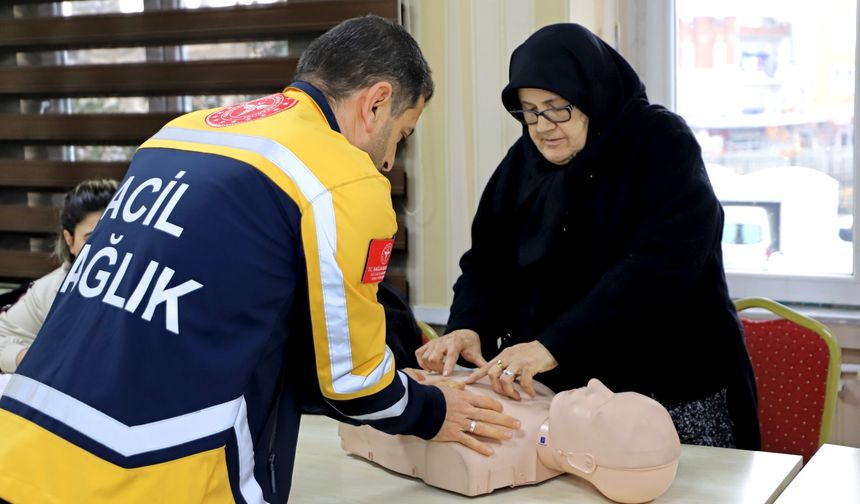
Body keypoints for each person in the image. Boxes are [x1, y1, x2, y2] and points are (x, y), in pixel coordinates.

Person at [0, 16, 520, 504]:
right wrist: (434, 411)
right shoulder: (344, 179)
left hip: (24, 445)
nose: (388, 160)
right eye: (402, 135)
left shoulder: (179, 133)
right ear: (377, 102)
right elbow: (351, 381)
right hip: (149, 468)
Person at [415, 23, 761, 450]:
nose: (542, 127)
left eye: (558, 107)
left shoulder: (659, 143)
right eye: (529, 111)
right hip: (567, 397)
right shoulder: (524, 162)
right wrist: (469, 325)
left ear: (592, 95)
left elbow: (659, 269)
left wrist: (552, 344)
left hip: (669, 389)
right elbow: (488, 261)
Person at [340, 371, 681, 504]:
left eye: (598, 409)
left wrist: (405, 399)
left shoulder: (480, 456)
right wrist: (401, 385)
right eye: (610, 392)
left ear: (582, 462)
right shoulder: (544, 392)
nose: (594, 385)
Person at [0, 178, 118, 373]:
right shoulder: (50, 289)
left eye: (115, 235)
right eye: (92, 239)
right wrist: (36, 360)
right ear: (70, 240)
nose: (107, 250)